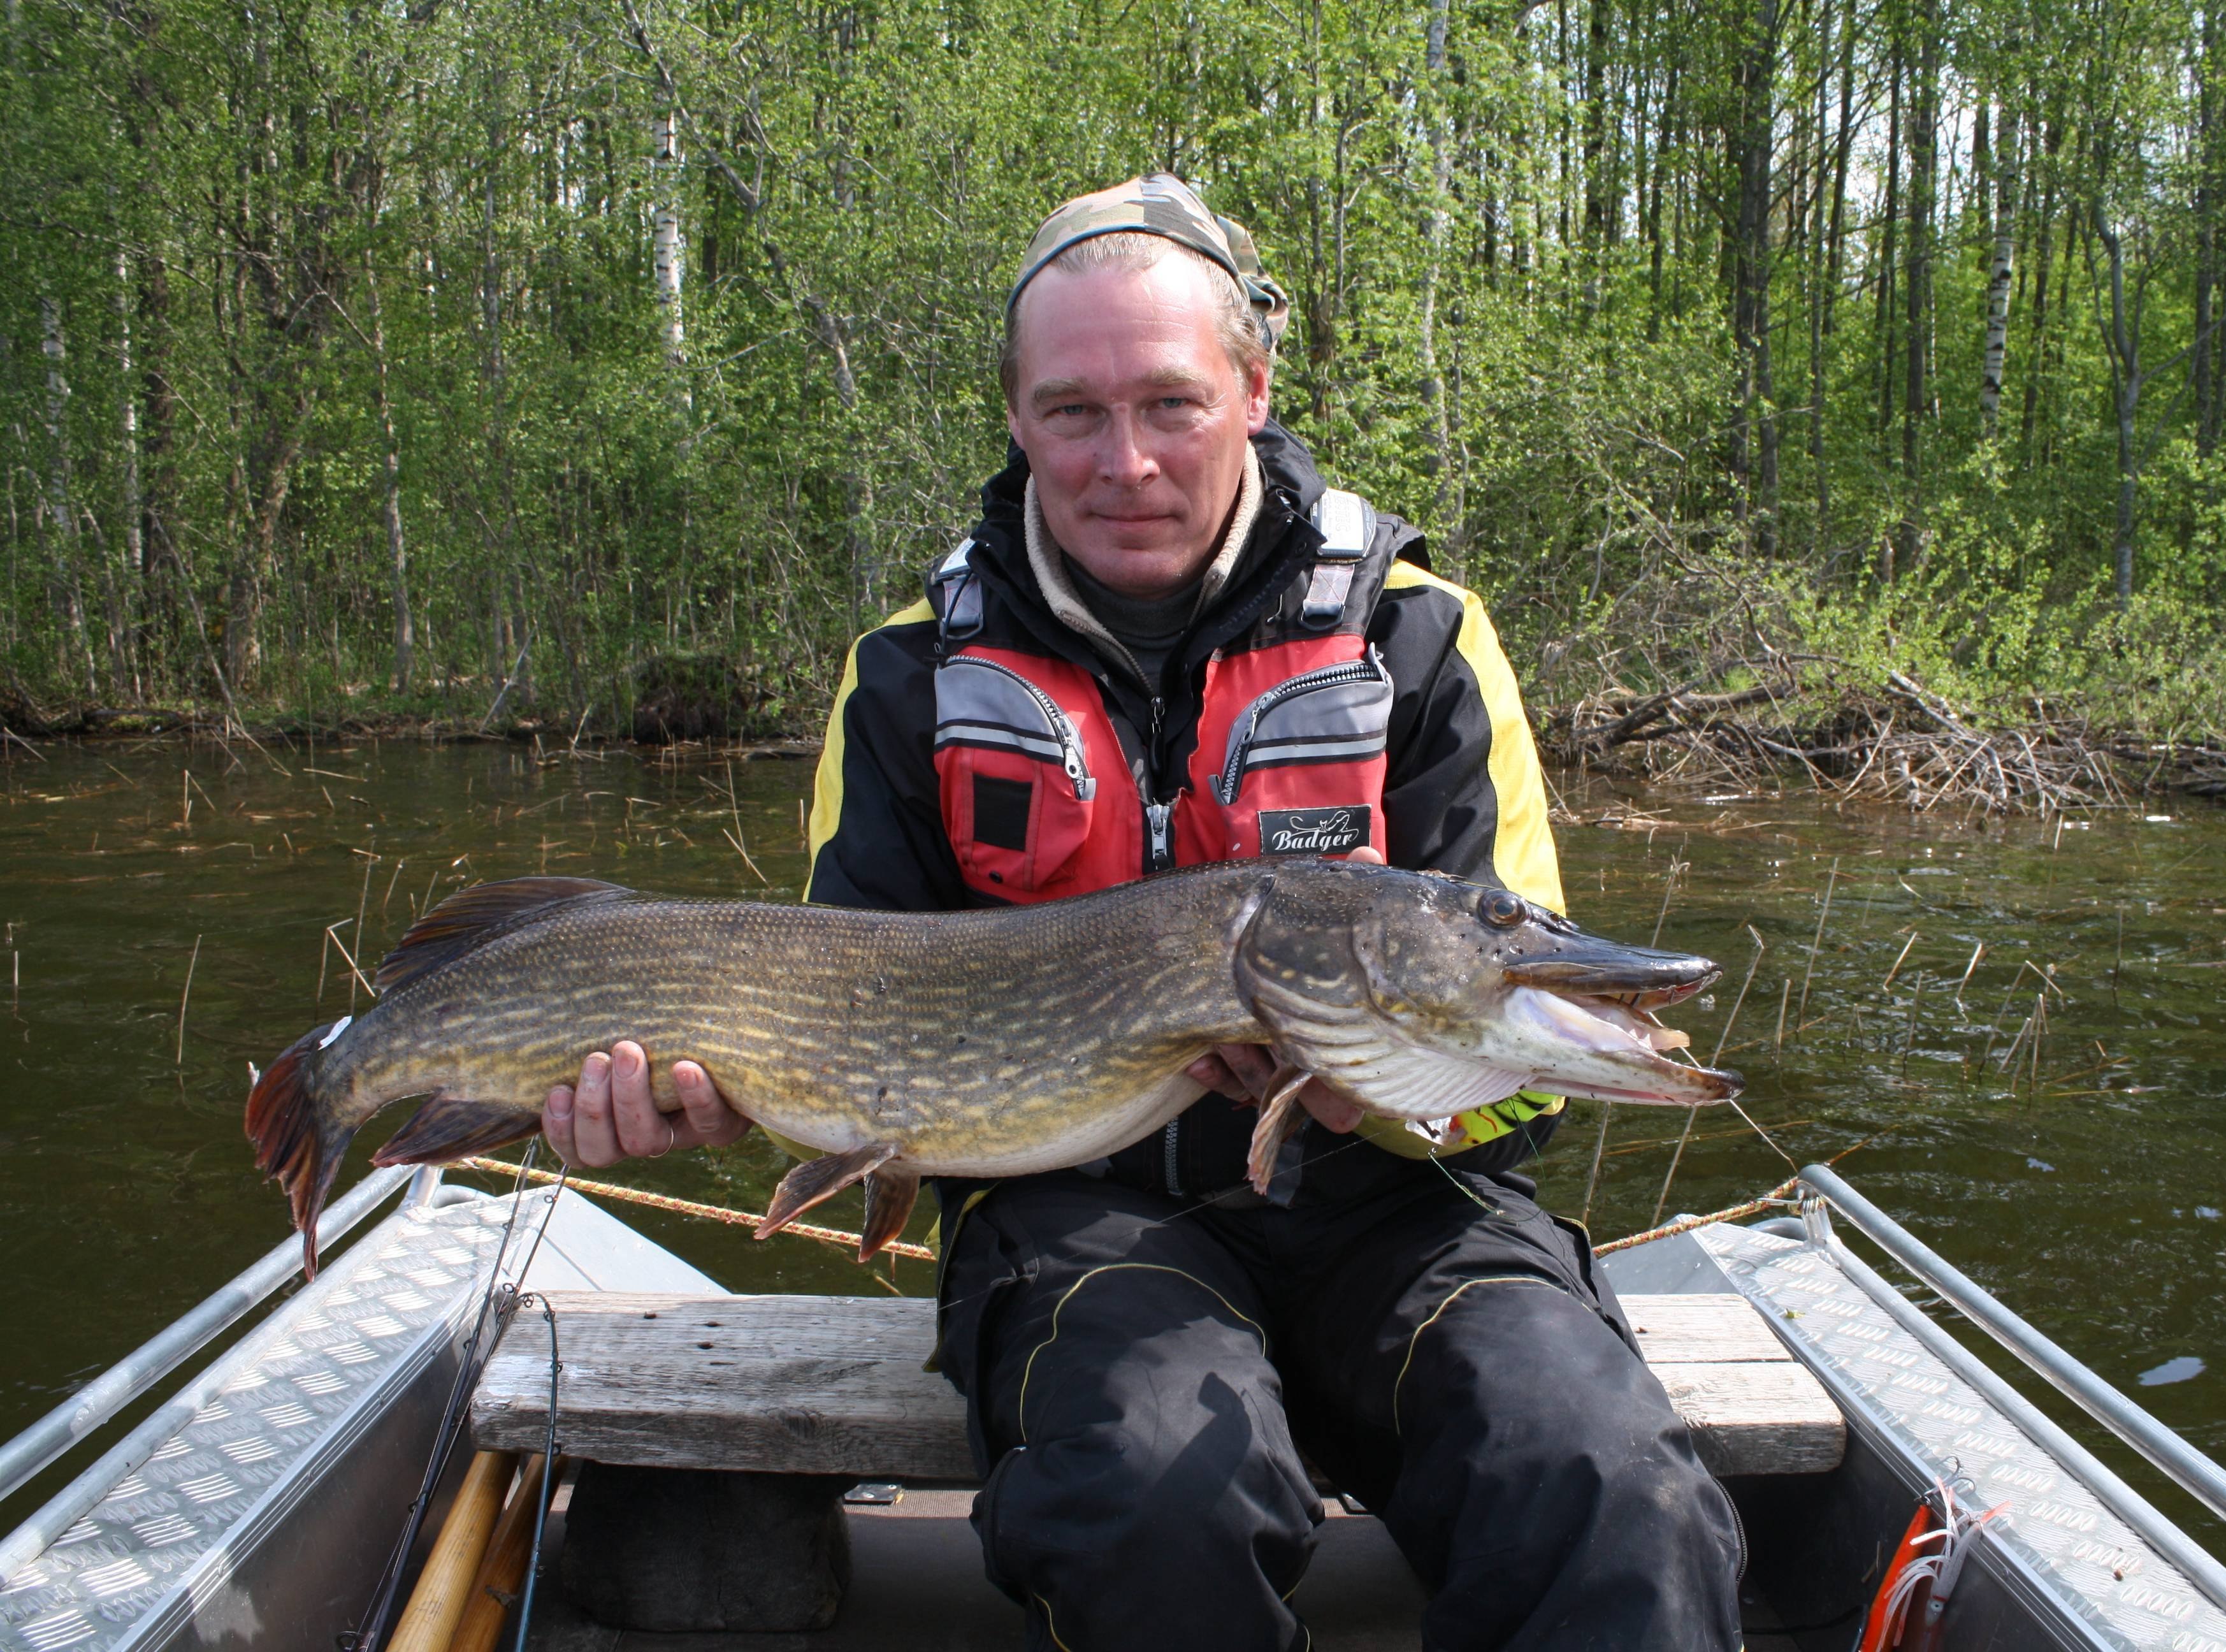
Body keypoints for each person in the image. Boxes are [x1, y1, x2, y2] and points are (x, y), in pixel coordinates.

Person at [542, 175, 1742, 1652]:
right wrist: (707, 1102)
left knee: (1607, 1480)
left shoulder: (1419, 639)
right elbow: (825, 1028)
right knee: (1150, 1496)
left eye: (1171, 404)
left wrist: (1366, 1096)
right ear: (1014, 419)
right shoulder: (912, 681)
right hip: (1081, 1217)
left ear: (1253, 389)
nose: (1126, 462)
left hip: (1404, 1214)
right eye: (1071, 413)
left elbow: (1516, 1070)